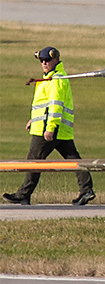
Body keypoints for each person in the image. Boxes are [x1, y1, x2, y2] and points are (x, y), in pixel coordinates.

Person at [5, 47, 94, 206]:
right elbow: (44, 105)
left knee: (34, 161)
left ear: (56, 60)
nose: (44, 63)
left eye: (47, 60)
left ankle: (23, 194)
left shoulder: (56, 80)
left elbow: (55, 105)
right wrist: (33, 120)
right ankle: (86, 190)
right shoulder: (50, 78)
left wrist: (50, 128)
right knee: (73, 159)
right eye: (41, 61)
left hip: (48, 130)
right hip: (57, 129)